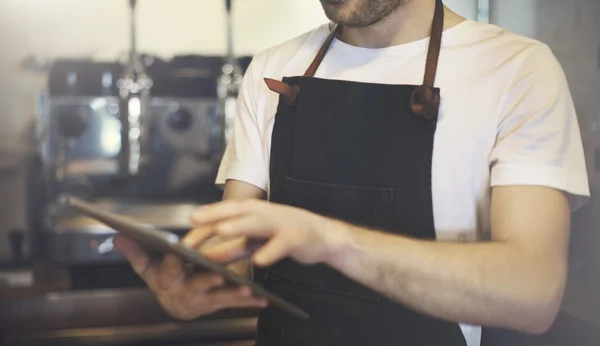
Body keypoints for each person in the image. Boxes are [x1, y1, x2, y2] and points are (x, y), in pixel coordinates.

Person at [115, 0, 590, 345]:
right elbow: (233, 254)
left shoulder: (516, 69)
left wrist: (331, 241)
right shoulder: (274, 68)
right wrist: (196, 286)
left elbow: (533, 293)